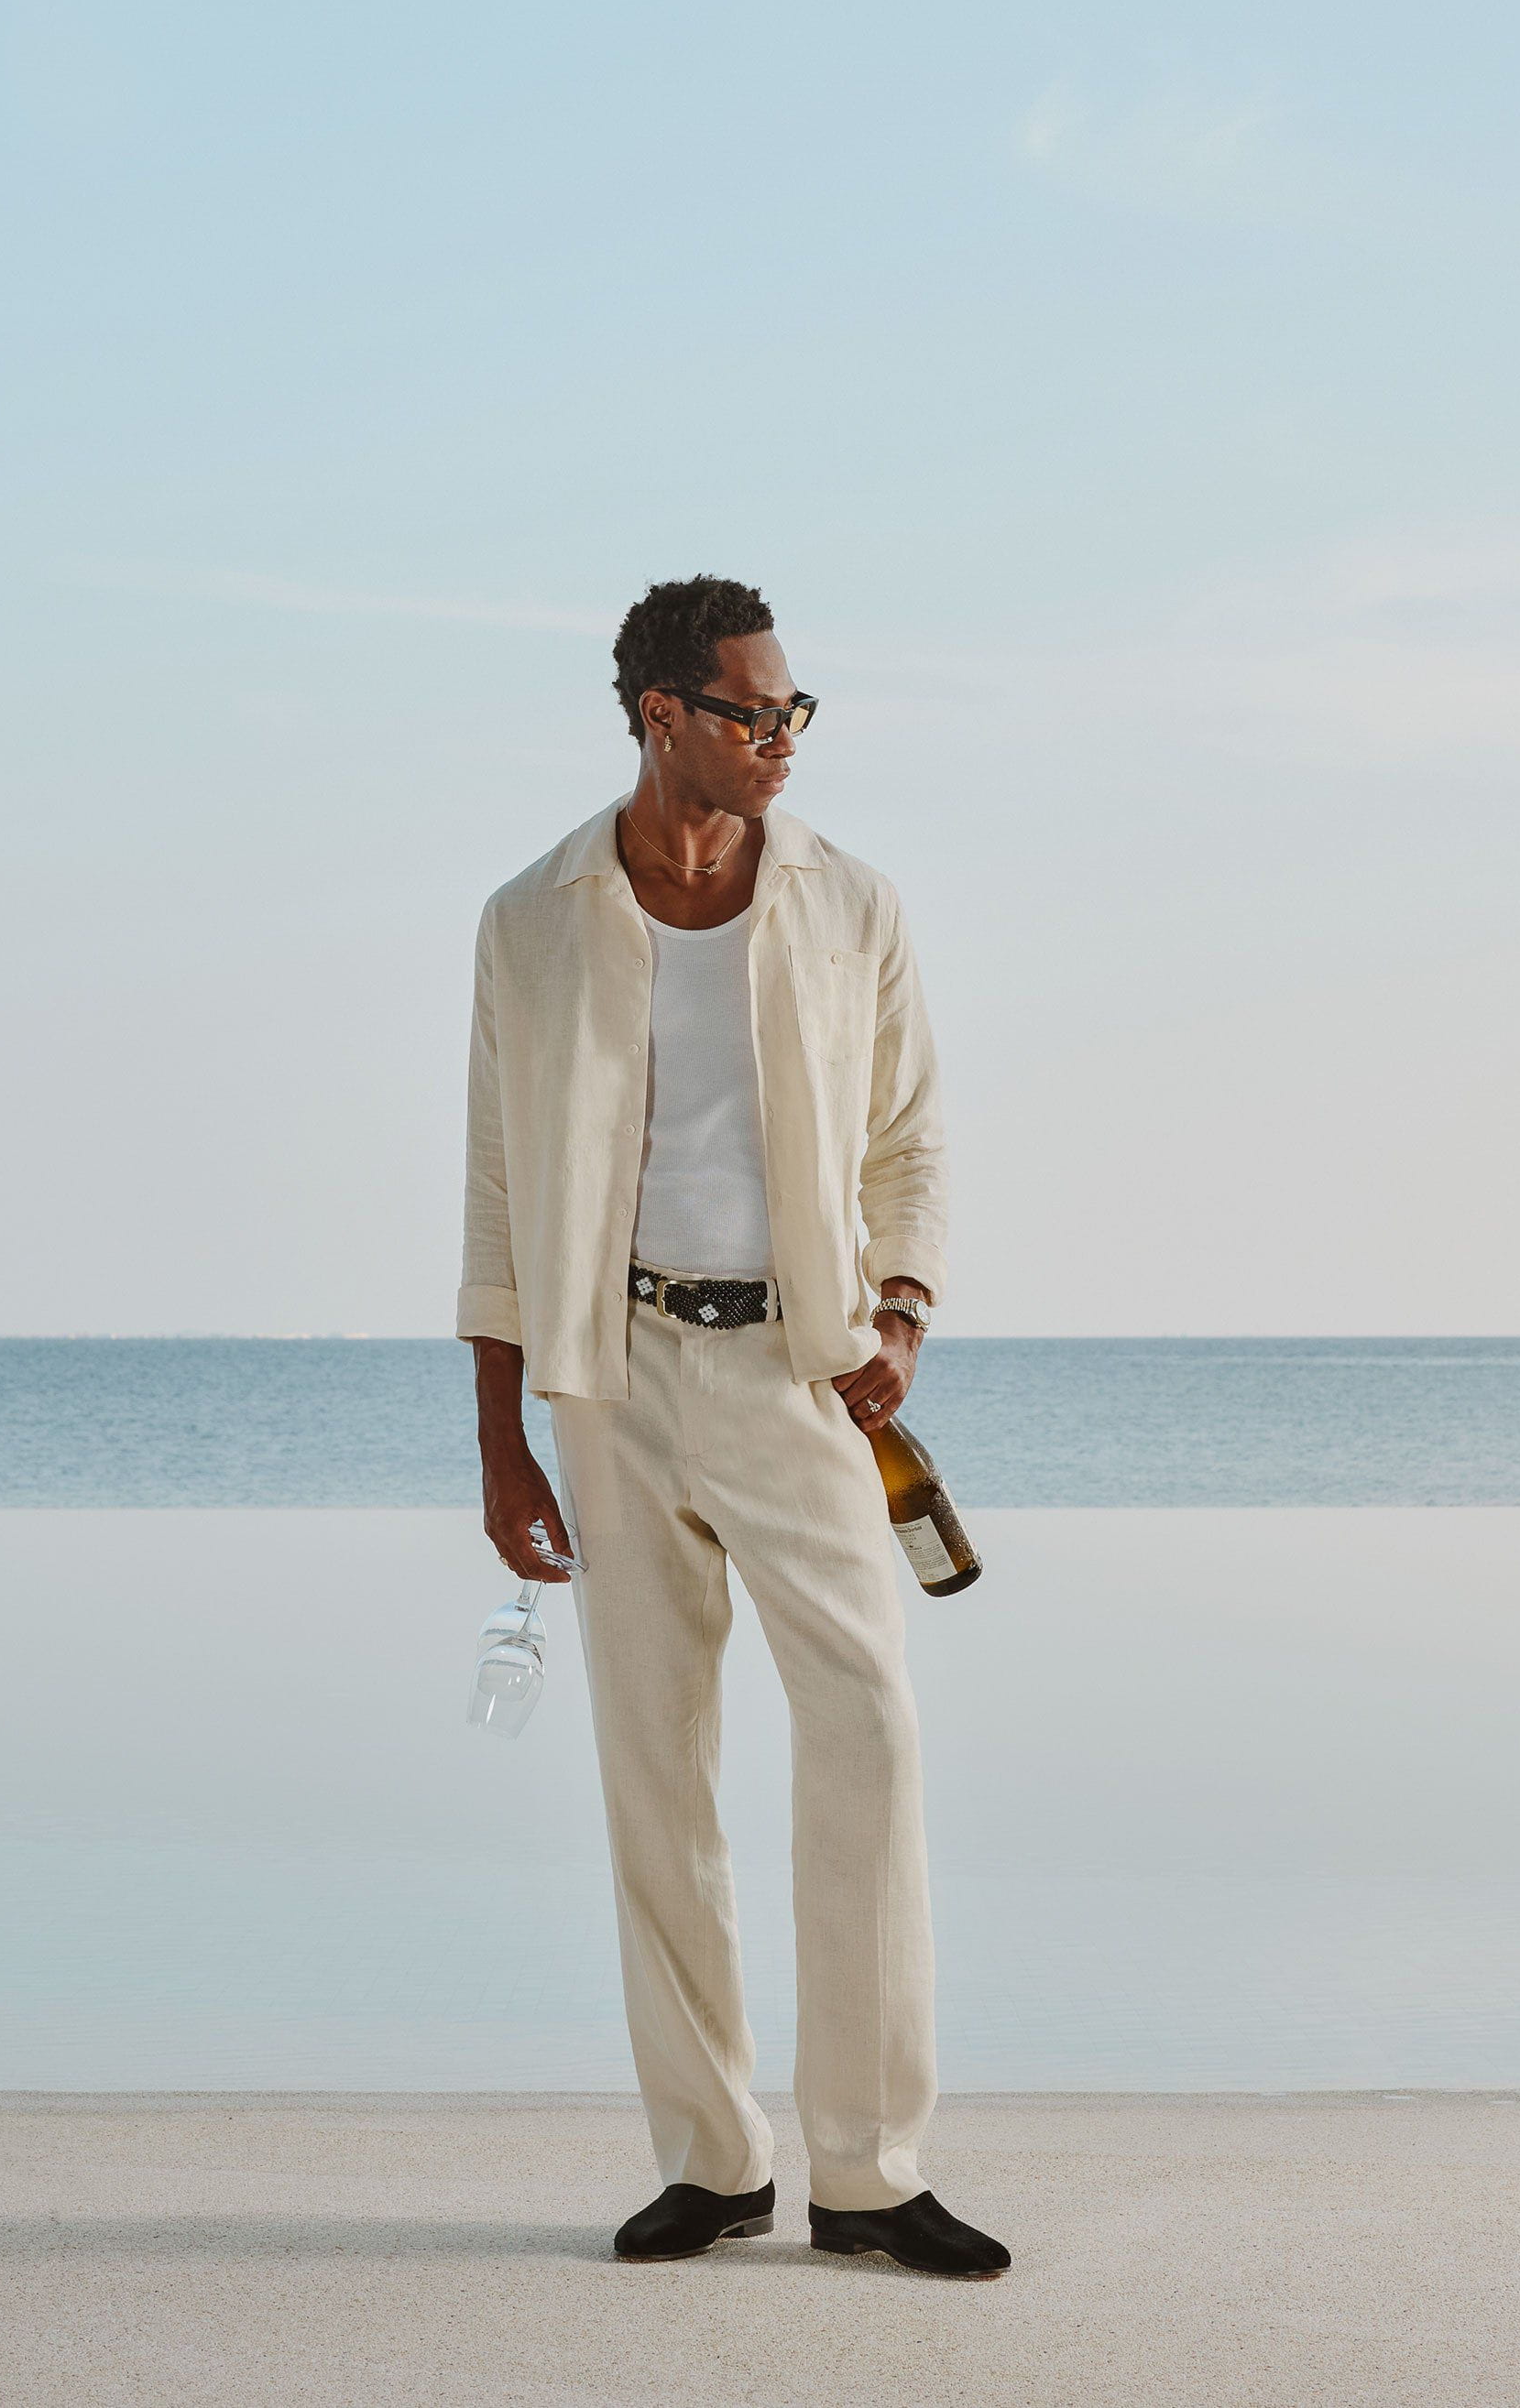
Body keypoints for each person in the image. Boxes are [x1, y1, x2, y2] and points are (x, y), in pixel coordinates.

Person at [456, 573, 1010, 2280]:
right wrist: (503, 1441)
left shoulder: (852, 903)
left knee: (869, 1734)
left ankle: (870, 2169)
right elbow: (496, 1185)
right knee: (656, 1771)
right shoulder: (532, 917)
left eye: (793, 710)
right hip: (611, 1379)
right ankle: (712, 2158)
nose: (781, 737)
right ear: (660, 715)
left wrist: (900, 1313)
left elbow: (911, 1138)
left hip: (798, 1372)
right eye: (751, 712)